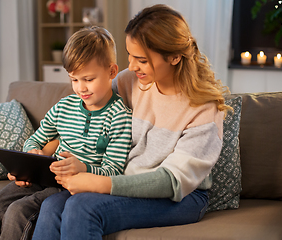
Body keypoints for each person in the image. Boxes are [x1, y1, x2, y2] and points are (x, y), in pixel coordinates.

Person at [31, 4, 232, 240]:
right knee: (52, 206)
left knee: (82, 207)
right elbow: (86, 113)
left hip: (182, 197)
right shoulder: (131, 81)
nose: (132, 66)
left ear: (175, 56)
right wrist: (39, 154)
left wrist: (100, 183)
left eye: (142, 60)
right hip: (123, 181)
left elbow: (172, 182)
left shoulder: (204, 108)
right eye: (130, 55)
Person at [0, 26, 132, 240]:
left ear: (112, 72)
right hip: (43, 175)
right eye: (74, 79)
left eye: (88, 79)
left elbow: (114, 172)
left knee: (19, 212)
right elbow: (35, 139)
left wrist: (82, 167)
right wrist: (31, 157)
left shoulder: (120, 116)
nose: (80, 88)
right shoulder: (64, 106)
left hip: (72, 186)